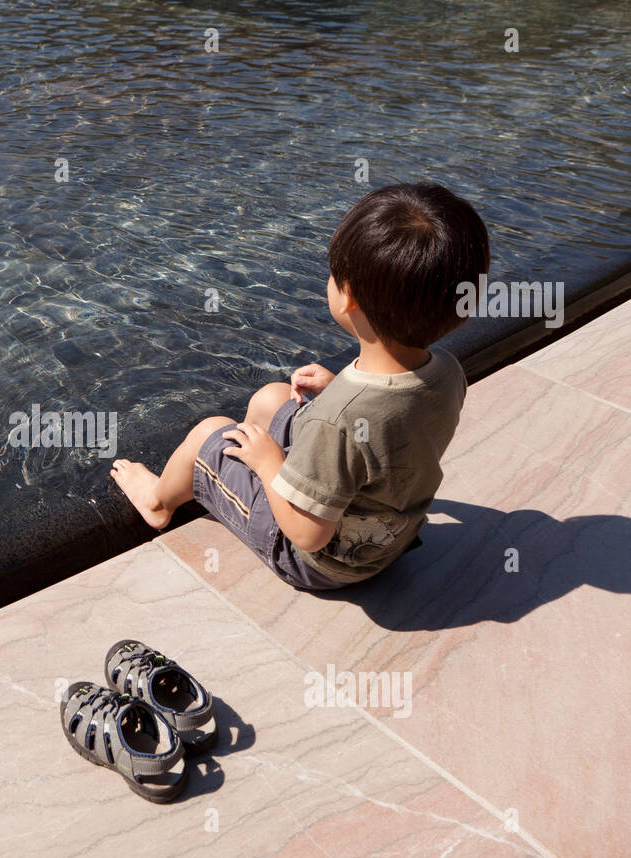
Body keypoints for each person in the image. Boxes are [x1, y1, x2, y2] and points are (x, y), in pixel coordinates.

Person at [111, 182, 489, 589]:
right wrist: (336, 389)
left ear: (349, 299)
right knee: (271, 397)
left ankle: (158, 502)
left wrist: (269, 463)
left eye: (333, 274)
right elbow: (387, 425)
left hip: (320, 559)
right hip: (395, 536)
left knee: (208, 432)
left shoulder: (339, 419)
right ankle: (248, 474)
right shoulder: (447, 370)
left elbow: (310, 533)